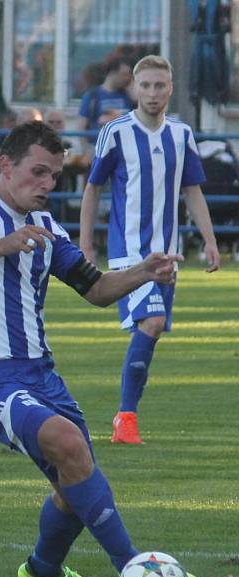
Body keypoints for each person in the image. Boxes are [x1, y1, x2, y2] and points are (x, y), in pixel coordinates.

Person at [0, 120, 201, 577]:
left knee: (75, 482)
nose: (48, 185)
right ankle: (138, 574)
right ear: (5, 164)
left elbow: (95, 288)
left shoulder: (48, 229)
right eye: (38, 172)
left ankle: (42, 569)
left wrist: (143, 272)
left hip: (43, 377)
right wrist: (1, 245)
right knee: (68, 444)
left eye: (54, 175)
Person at [79, 55, 220, 444]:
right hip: (130, 255)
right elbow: (94, 188)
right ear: (134, 89)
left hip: (169, 254)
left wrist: (209, 241)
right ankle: (126, 419)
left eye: (160, 86)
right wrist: (86, 243)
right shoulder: (116, 132)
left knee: (151, 332)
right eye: (146, 86)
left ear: (170, 88)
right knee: (152, 323)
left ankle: (126, 417)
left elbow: (192, 190)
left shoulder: (181, 134)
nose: (153, 93)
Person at [77, 57, 134, 134]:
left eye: (129, 74)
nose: (127, 78)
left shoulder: (127, 95)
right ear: (112, 73)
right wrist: (87, 146)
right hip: (99, 142)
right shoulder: (92, 96)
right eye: (124, 74)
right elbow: (81, 128)